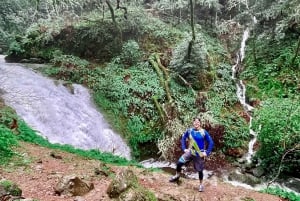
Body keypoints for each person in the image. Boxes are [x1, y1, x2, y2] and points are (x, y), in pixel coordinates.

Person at [169, 117, 214, 192]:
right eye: (195, 122)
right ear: (193, 123)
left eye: (198, 122)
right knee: (179, 163)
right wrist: (184, 148)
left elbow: (211, 142)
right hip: (190, 152)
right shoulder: (189, 131)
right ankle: (177, 176)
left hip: (199, 153)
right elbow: (183, 138)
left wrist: (206, 152)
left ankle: (201, 185)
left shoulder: (203, 132)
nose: (196, 123)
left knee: (200, 170)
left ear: (200, 123)